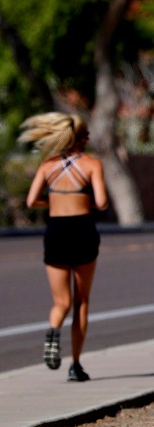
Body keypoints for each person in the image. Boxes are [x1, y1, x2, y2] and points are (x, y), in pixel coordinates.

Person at [22, 112, 109, 382]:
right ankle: (76, 364)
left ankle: (53, 328)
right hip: (83, 231)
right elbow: (103, 202)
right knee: (81, 302)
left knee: (61, 302)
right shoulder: (92, 164)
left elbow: (31, 201)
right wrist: (83, 202)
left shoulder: (47, 165)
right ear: (82, 138)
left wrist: (55, 201)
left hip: (56, 231)